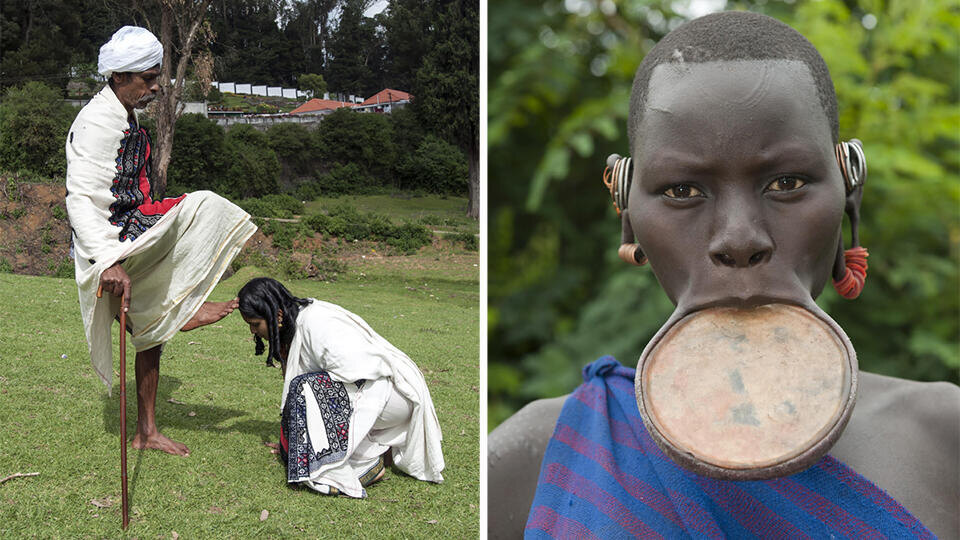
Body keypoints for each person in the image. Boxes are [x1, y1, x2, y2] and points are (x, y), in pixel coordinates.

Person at [488, 11, 959, 538]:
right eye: (683, 191)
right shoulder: (538, 459)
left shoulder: (945, 440)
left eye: (786, 182)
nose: (739, 239)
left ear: (849, 192)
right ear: (628, 215)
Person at [66, 26, 257, 456]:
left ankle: (147, 431)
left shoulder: (123, 112)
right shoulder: (96, 123)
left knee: (152, 330)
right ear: (118, 76)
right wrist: (106, 261)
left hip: (132, 221)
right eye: (147, 78)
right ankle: (178, 308)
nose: (156, 86)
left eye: (157, 77)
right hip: (111, 239)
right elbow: (79, 198)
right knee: (206, 206)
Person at [237, 277, 445, 498]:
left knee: (306, 390)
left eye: (255, 324)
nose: (253, 331)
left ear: (276, 315)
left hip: (391, 395)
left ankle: (356, 469)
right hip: (371, 395)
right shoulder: (293, 325)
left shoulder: (317, 322)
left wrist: (307, 428)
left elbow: (361, 369)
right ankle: (368, 459)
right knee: (305, 395)